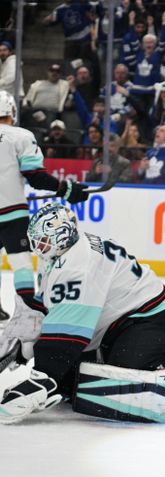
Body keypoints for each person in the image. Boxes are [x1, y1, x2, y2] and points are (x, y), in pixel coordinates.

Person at [0, 203, 165, 424]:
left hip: (151, 321)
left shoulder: (78, 265)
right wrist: (24, 342)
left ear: (60, 237)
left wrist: (43, 377)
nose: (37, 247)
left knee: (117, 388)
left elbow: (69, 334)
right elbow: (52, 305)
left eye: (42, 240)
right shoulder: (63, 253)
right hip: (120, 324)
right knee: (75, 384)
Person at [0, 90, 89, 345]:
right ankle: (29, 310)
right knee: (21, 264)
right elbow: (36, 177)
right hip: (12, 215)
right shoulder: (21, 136)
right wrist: (68, 190)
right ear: (12, 112)